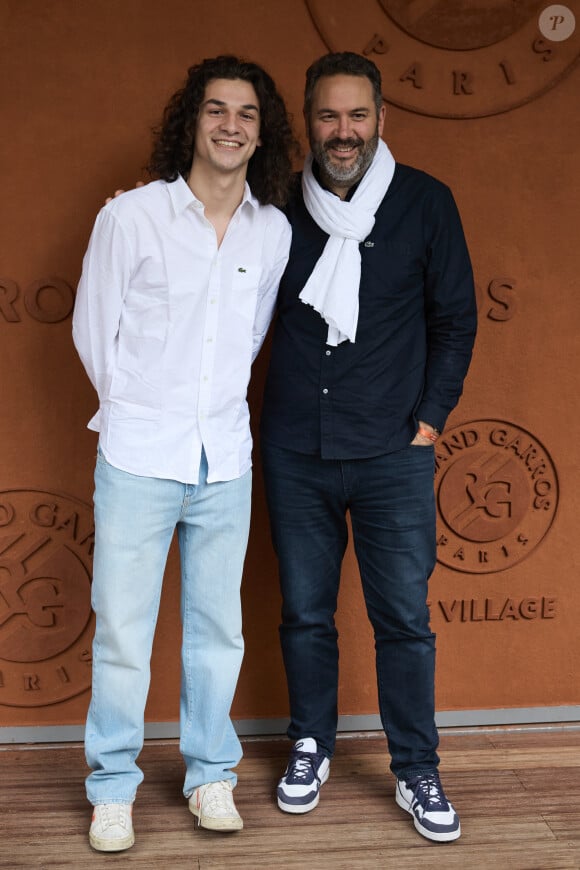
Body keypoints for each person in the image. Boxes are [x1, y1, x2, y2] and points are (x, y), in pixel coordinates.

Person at [73, 55, 295, 852]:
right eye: (216, 109)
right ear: (192, 121)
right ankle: (112, 789)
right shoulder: (130, 217)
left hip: (224, 459)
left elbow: (252, 338)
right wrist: (135, 406)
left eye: (246, 114)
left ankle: (210, 777)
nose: (230, 125)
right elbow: (94, 332)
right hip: (138, 453)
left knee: (216, 630)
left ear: (260, 133)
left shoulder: (272, 231)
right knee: (124, 631)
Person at [260, 52, 477, 843]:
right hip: (295, 447)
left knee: (402, 622)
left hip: (393, 451)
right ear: (308, 120)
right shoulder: (276, 202)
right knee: (307, 615)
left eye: (357, 116)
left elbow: (456, 319)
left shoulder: (425, 204)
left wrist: (430, 420)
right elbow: (199, 242)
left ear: (382, 119)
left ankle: (417, 767)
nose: (342, 132)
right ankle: (310, 744)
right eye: (327, 115)